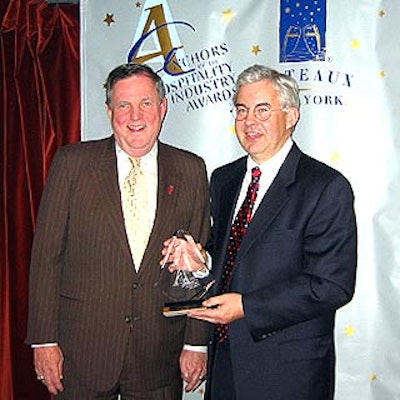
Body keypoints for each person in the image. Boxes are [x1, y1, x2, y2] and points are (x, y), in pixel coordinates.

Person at [165, 64, 357, 400]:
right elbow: (231, 259)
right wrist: (202, 262)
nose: (249, 121)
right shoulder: (224, 180)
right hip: (224, 362)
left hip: (288, 373)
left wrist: (248, 308)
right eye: (241, 110)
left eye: (262, 110)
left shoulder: (325, 187)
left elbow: (332, 285)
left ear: (292, 115)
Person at [26, 63, 210, 399]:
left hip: (159, 356)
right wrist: (44, 340)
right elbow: (45, 258)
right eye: (123, 105)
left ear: (162, 108)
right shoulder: (72, 164)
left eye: (145, 103)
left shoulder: (191, 170)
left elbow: (196, 269)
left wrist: (196, 342)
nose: (135, 115)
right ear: (110, 111)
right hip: (81, 354)